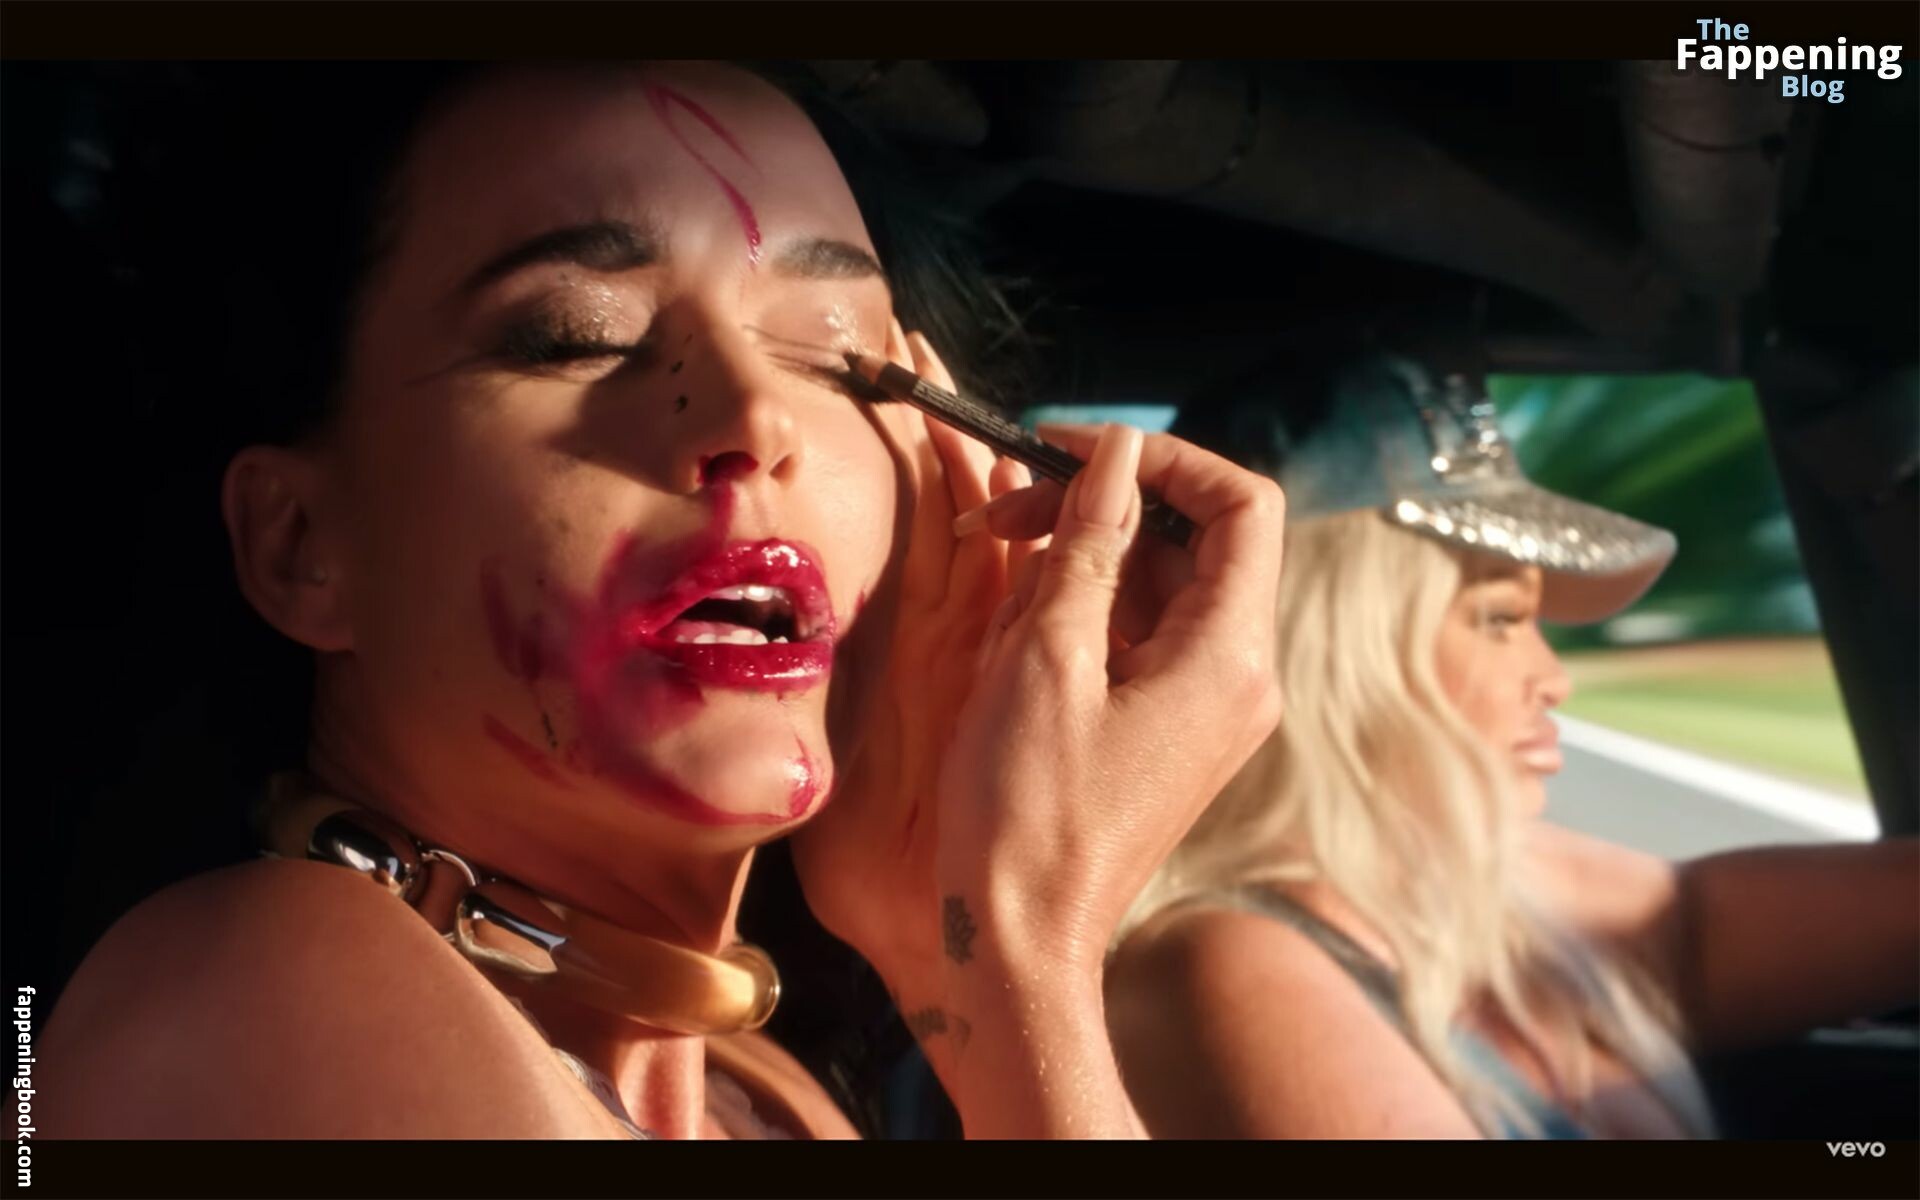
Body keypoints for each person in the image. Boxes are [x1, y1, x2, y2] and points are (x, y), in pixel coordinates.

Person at [37, 61, 1286, 1139]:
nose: (754, 416)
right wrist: (1019, 955)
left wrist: (943, 947)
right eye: (575, 335)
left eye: (834, 356)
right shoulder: (268, 990)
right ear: (303, 545)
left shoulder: (759, 1092)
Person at [1102, 352, 1919, 1139]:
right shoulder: (1229, 968)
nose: (1552, 677)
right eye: (1499, 619)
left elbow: (1694, 922)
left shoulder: (1481, 888)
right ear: (1332, 647)